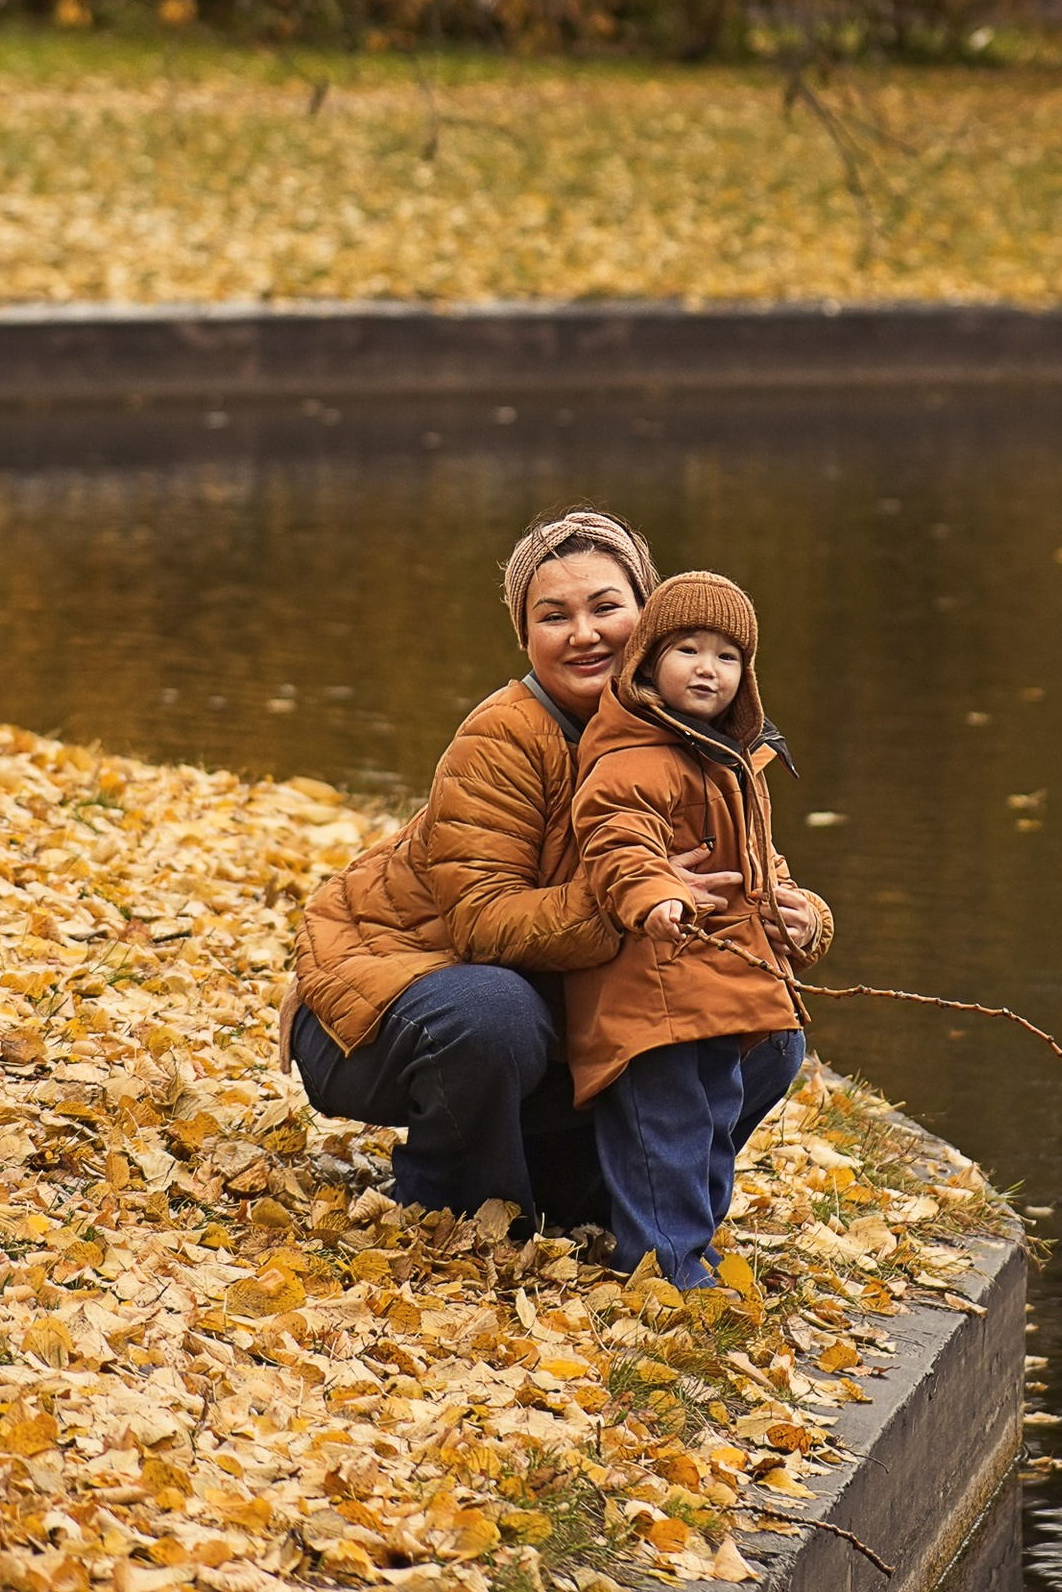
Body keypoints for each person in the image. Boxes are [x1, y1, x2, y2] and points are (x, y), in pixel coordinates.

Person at [282, 508, 748, 1230]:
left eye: (605, 607)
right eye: (554, 616)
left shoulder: (691, 737)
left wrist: (802, 921)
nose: (584, 633)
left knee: (759, 1023)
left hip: (539, 1007)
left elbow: (741, 885)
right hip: (383, 1002)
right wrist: (624, 901)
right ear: (526, 636)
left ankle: (611, 1195)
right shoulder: (503, 736)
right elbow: (482, 924)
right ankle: (449, 1200)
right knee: (497, 1014)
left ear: (650, 619)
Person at [564, 568, 833, 1288]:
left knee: (714, 1123)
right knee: (667, 1130)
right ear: (648, 661)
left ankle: (695, 1247)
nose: (707, 669)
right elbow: (617, 840)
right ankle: (663, 1269)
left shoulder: (732, 761)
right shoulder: (631, 755)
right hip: (652, 995)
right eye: (688, 650)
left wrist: (799, 912)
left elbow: (760, 861)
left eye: (727, 656)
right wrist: (655, 894)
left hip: (716, 988)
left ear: (747, 676)